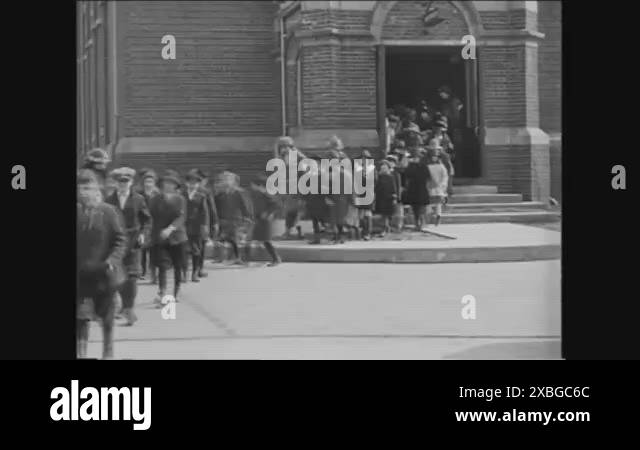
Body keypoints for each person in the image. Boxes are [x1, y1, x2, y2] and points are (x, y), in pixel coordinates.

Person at [77, 169, 127, 359]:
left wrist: (112, 260)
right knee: (80, 318)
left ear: (96, 189)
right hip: (80, 274)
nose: (83, 192)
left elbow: (120, 239)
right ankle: (81, 354)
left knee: (106, 318)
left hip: (104, 274)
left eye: (88, 188)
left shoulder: (108, 211)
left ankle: (108, 353)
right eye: (80, 188)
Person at [104, 167, 151, 326]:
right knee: (117, 277)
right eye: (120, 182)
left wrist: (143, 234)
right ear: (116, 183)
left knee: (132, 277)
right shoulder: (109, 200)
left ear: (131, 183)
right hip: (115, 244)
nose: (123, 185)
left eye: (126, 182)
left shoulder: (138, 199)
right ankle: (122, 306)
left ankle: (128, 307)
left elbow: (146, 220)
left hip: (133, 242)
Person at [148, 170, 188, 304]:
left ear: (176, 186)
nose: (168, 186)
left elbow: (181, 217)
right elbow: (150, 217)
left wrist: (170, 229)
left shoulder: (180, 199)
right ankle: (162, 291)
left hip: (177, 237)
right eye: (166, 183)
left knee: (177, 265)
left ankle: (176, 291)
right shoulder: (155, 199)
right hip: (160, 237)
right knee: (162, 265)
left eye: (172, 184)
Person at [214, 171, 253, 265]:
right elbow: (215, 206)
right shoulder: (220, 193)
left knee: (234, 239)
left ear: (233, 181)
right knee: (220, 239)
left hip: (235, 219)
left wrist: (247, 217)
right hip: (222, 219)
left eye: (227, 179)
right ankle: (221, 257)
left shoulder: (238, 192)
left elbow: (244, 205)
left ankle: (238, 258)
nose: (224, 180)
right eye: (223, 178)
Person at [247, 174, 282, 266]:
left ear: (258, 185)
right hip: (258, 219)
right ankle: (247, 258)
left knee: (266, 240)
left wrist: (267, 213)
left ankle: (276, 259)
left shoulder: (266, 193)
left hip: (265, 220)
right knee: (257, 239)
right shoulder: (256, 194)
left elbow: (276, 205)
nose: (251, 186)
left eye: (253, 184)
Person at [183, 169, 210, 282]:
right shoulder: (181, 195)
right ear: (186, 183)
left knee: (196, 251)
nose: (192, 185)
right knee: (182, 250)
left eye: (195, 183)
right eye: (190, 183)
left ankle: (194, 272)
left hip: (196, 227)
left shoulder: (201, 196)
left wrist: (205, 226)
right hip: (183, 226)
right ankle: (183, 274)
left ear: (198, 184)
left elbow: (204, 212)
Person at [277, 136, 306, 239]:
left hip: (297, 188)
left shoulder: (297, 156)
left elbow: (303, 172)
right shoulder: (284, 156)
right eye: (281, 147)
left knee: (292, 211)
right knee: (292, 211)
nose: (283, 149)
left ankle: (290, 231)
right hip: (290, 188)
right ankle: (294, 230)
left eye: (285, 146)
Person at [403, 140, 431, 232]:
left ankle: (421, 222)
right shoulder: (410, 163)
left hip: (421, 188)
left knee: (421, 207)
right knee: (415, 208)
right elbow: (406, 174)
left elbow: (427, 176)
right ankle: (417, 222)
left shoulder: (423, 163)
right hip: (413, 188)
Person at [197, 169, 219, 277]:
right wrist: (215, 223)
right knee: (200, 247)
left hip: (200, 224)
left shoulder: (205, 191)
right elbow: (212, 208)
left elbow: (212, 208)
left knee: (197, 247)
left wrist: (214, 222)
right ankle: (198, 269)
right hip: (202, 224)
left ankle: (197, 269)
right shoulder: (206, 191)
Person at [139, 169, 159, 283]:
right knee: (142, 250)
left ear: (154, 183)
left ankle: (153, 273)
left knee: (154, 251)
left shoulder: (158, 194)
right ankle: (142, 271)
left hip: (156, 225)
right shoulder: (139, 194)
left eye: (150, 182)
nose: (148, 184)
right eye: (146, 182)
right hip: (144, 225)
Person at [354, 150, 376, 241]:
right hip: (360, 193)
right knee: (361, 215)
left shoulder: (371, 168)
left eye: (365, 158)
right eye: (362, 158)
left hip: (368, 193)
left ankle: (367, 233)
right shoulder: (358, 169)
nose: (363, 160)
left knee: (367, 214)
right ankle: (363, 231)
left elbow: (374, 181)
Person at [425, 145, 449, 227]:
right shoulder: (428, 167)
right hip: (432, 187)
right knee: (430, 204)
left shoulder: (441, 167)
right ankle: (433, 217)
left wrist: (443, 185)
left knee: (437, 204)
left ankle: (437, 217)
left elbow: (445, 177)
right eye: (433, 157)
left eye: (435, 157)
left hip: (437, 188)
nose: (434, 158)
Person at [375, 160, 397, 236]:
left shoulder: (391, 177)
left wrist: (394, 197)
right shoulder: (379, 177)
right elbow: (376, 188)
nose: (383, 169)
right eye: (382, 167)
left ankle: (386, 227)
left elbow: (393, 188)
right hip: (381, 198)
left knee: (388, 214)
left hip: (389, 198)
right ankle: (384, 228)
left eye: (385, 167)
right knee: (383, 215)